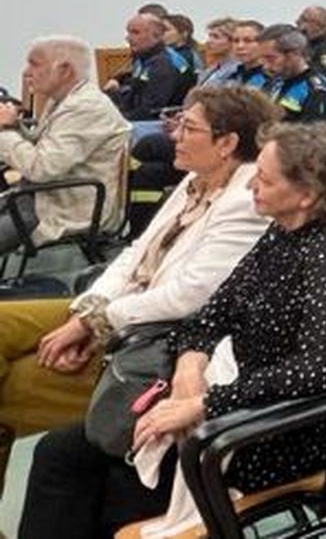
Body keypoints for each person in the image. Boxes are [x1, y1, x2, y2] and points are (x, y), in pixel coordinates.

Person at [18, 122, 326, 539]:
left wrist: (205, 403)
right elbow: (213, 313)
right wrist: (190, 368)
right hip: (236, 392)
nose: (249, 188)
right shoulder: (282, 232)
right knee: (61, 451)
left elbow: (313, 371)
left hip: (285, 428)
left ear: (308, 195)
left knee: (117, 479)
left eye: (263, 179)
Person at [0, 86, 276, 479]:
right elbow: (135, 255)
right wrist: (90, 310)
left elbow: (188, 296)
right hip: (119, 310)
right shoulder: (197, 180)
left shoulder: (246, 198)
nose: (173, 136)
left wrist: (96, 323)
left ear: (227, 143)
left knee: (10, 392)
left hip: (151, 338)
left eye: (188, 128)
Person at [0, 37, 130, 256]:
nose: (26, 72)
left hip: (54, 210)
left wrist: (4, 132)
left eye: (35, 63)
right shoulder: (64, 100)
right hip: (38, 198)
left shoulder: (86, 108)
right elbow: (44, 148)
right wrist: (14, 127)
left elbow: (41, 168)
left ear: (65, 70)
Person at [104, 12, 193, 131]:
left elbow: (149, 111)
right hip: (141, 118)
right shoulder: (147, 57)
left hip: (159, 125)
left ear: (156, 36)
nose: (128, 38)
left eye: (135, 33)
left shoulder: (163, 64)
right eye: (128, 32)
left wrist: (114, 120)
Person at [257, 24, 326, 123]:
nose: (265, 66)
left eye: (271, 58)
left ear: (294, 54)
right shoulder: (272, 83)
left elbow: (315, 134)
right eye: (262, 58)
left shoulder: (316, 90)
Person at [294, 6, 326, 93]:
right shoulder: (305, 45)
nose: (297, 22)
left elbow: (323, 79)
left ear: (319, 26)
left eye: (304, 19)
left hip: (321, 96)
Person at [195, 18, 240, 88]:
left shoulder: (236, 71)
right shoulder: (214, 67)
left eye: (216, 37)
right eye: (209, 36)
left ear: (232, 41)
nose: (209, 41)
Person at [229, 19, 269, 90]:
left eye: (248, 41)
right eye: (236, 41)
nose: (240, 46)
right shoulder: (233, 76)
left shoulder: (271, 78)